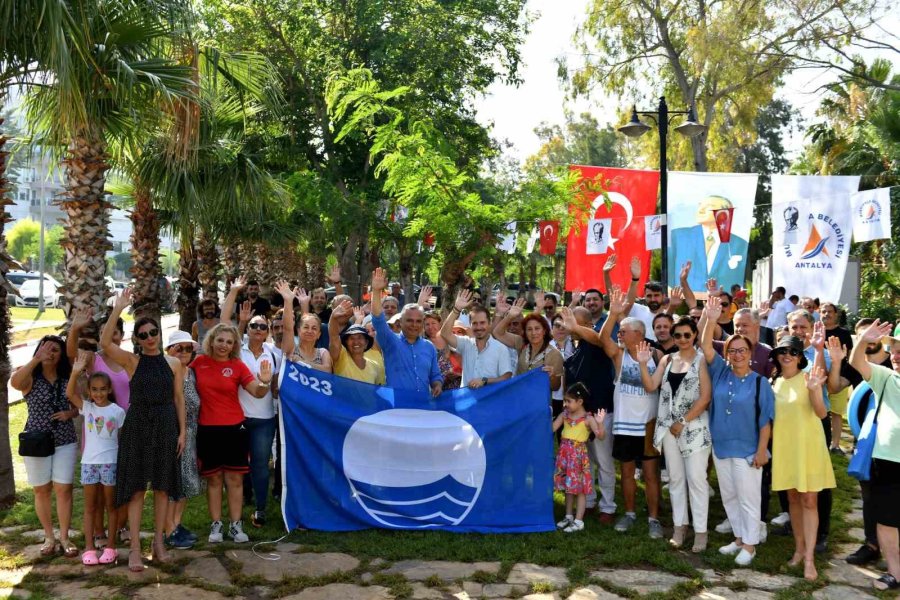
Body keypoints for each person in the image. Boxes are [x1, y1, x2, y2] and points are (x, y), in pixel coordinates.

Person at [100, 290, 185, 572]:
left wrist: (182, 432)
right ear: (136, 339)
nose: (150, 338)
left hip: (165, 425)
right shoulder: (132, 362)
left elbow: (178, 400)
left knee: (162, 488)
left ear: (159, 333)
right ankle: (135, 548)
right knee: (137, 490)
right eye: (143, 335)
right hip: (138, 425)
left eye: (153, 332)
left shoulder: (174, 363)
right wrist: (118, 309)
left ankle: (158, 543)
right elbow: (104, 343)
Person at [700, 296, 774, 566]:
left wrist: (762, 451)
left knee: (748, 498)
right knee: (730, 496)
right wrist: (710, 319)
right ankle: (740, 538)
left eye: (742, 350)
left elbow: (765, 421)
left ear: (750, 353)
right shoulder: (720, 372)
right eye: (732, 350)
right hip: (722, 447)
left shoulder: (760, 383)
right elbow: (705, 346)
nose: (737, 354)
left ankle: (751, 545)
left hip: (748, 450)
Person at [191, 322, 274, 545]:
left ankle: (236, 525)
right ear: (211, 341)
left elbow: (257, 392)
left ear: (234, 345)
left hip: (234, 429)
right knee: (214, 479)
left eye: (229, 342)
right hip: (207, 429)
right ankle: (216, 524)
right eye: (220, 340)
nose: (224, 345)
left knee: (235, 479)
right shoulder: (198, 363)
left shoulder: (237, 365)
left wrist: (265, 381)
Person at [636, 316, 712, 552]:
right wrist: (642, 364)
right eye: (677, 335)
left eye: (687, 335)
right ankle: (680, 527)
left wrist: (683, 421)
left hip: (695, 428)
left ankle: (701, 532)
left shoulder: (702, 360)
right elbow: (651, 386)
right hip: (668, 429)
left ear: (695, 335)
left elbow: (705, 397)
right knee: (676, 480)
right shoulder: (667, 359)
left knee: (697, 480)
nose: (682, 339)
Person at [769, 335, 835, 581]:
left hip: (808, 446)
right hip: (785, 448)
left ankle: (809, 558)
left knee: (809, 500)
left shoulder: (809, 378)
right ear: (776, 355)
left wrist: (815, 390)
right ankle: (798, 549)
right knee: (793, 498)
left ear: (800, 357)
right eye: (782, 351)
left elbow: (821, 412)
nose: (787, 355)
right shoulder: (773, 382)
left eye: (793, 352)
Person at [599, 288, 663, 537]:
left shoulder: (656, 355)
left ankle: (654, 518)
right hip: (624, 425)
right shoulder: (619, 355)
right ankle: (629, 514)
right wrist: (613, 314)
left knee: (651, 474)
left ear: (639, 334)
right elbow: (604, 338)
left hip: (648, 425)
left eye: (624, 331)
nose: (620, 334)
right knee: (626, 473)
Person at [67, 306, 131, 545]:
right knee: (98, 492)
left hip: (124, 430)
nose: (110, 336)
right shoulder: (95, 360)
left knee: (122, 485)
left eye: (115, 332)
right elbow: (72, 353)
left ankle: (121, 527)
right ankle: (98, 532)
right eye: (105, 332)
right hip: (98, 432)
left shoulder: (129, 359)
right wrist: (75, 329)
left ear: (121, 335)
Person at [11, 336, 78, 559]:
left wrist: (70, 413)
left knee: (64, 488)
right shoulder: (31, 377)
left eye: (55, 350)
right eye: (45, 348)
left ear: (61, 355)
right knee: (41, 489)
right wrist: (35, 360)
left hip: (64, 439)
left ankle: (65, 537)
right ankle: (49, 536)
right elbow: (15, 383)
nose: (50, 353)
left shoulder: (66, 377)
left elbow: (79, 405)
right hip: (37, 441)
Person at [849, 320, 900, 591]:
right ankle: (894, 573)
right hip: (887, 462)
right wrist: (863, 340)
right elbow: (856, 362)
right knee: (887, 519)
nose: (896, 355)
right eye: (894, 349)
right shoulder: (886, 377)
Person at [559, 307, 618, 522]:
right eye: (568, 321)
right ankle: (590, 501)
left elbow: (600, 339)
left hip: (601, 413)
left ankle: (608, 506)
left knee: (604, 462)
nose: (569, 325)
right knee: (586, 462)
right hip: (580, 418)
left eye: (575, 321)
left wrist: (577, 328)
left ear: (588, 325)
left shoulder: (596, 344)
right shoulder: (573, 350)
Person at [66, 355, 124, 566]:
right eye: (94, 390)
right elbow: (70, 393)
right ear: (89, 392)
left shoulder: (118, 412)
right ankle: (89, 548)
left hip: (110, 463)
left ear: (109, 389)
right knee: (90, 507)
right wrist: (75, 372)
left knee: (111, 506)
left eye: (102, 389)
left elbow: (122, 438)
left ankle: (111, 547)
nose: (98, 393)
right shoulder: (87, 408)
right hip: (89, 464)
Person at [369, 267, 442, 396]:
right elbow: (378, 320)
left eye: (418, 321)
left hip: (423, 405)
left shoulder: (429, 347)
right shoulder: (390, 340)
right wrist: (376, 291)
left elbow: (435, 375)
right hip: (397, 405)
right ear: (400, 322)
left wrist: (437, 385)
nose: (414, 325)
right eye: (409, 320)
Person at [239, 310, 278, 529]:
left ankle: (260, 508)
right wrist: (242, 320)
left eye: (263, 327)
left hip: (264, 419)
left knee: (260, 465)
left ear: (267, 332)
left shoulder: (272, 353)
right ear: (248, 329)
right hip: (238, 416)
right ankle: (242, 499)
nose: (258, 329)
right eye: (254, 325)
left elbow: (276, 385)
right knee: (238, 464)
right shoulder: (238, 350)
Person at [162, 331, 202, 549]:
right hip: (172, 434)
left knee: (186, 481)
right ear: (169, 351)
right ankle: (168, 529)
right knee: (172, 484)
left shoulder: (191, 373)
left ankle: (176, 524)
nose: (184, 352)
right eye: (178, 348)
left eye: (188, 348)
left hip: (190, 434)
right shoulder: (166, 372)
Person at [553, 383, 607, 533]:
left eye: (569, 401)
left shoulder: (588, 419)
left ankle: (578, 520)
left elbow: (601, 436)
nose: (565, 404)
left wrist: (600, 424)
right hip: (565, 455)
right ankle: (568, 516)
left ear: (580, 401)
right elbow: (552, 428)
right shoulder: (564, 415)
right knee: (568, 488)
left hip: (578, 457)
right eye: (565, 400)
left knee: (580, 489)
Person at [667, 194, 750, 292]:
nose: (701, 210)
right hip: (684, 298)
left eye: (708, 207)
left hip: (721, 299)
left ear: (723, 214)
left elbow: (742, 278)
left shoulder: (739, 244)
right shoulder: (678, 236)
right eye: (700, 205)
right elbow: (668, 270)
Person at [441, 290, 513, 389]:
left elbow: (506, 377)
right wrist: (456, 309)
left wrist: (485, 380)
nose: (479, 327)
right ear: (470, 325)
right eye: (474, 323)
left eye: (482, 323)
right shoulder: (466, 343)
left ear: (489, 323)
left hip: (489, 398)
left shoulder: (501, 348)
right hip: (466, 398)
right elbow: (444, 333)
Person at [492, 297, 563, 395]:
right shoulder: (521, 343)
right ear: (525, 332)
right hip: (518, 397)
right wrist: (510, 317)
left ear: (544, 331)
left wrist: (552, 377)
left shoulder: (555, 355)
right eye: (529, 329)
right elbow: (497, 333)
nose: (533, 333)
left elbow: (556, 387)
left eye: (537, 328)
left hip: (538, 401)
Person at [326, 297, 385, 384]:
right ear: (346, 342)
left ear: (366, 343)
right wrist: (333, 317)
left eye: (360, 337)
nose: (356, 341)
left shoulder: (374, 365)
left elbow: (380, 389)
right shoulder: (341, 358)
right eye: (351, 338)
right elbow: (334, 336)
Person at [820, 302, 853, 453]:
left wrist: (845, 376)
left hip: (839, 378)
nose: (826, 314)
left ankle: (835, 445)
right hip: (819, 378)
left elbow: (850, 356)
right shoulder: (816, 332)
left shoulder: (844, 333)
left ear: (835, 314)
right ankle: (820, 441)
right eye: (823, 311)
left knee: (836, 412)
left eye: (829, 311)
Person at [282, 287, 333, 372]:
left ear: (319, 334)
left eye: (314, 328)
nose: (309, 331)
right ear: (298, 331)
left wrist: (302, 362)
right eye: (306, 327)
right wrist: (288, 301)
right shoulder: (291, 349)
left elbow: (327, 370)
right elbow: (287, 328)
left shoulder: (323, 353)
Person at [424, 311, 462, 390]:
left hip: (461, 384)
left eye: (433, 323)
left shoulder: (449, 338)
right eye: (427, 324)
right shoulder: (424, 345)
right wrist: (446, 376)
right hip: (440, 388)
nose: (430, 327)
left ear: (440, 324)